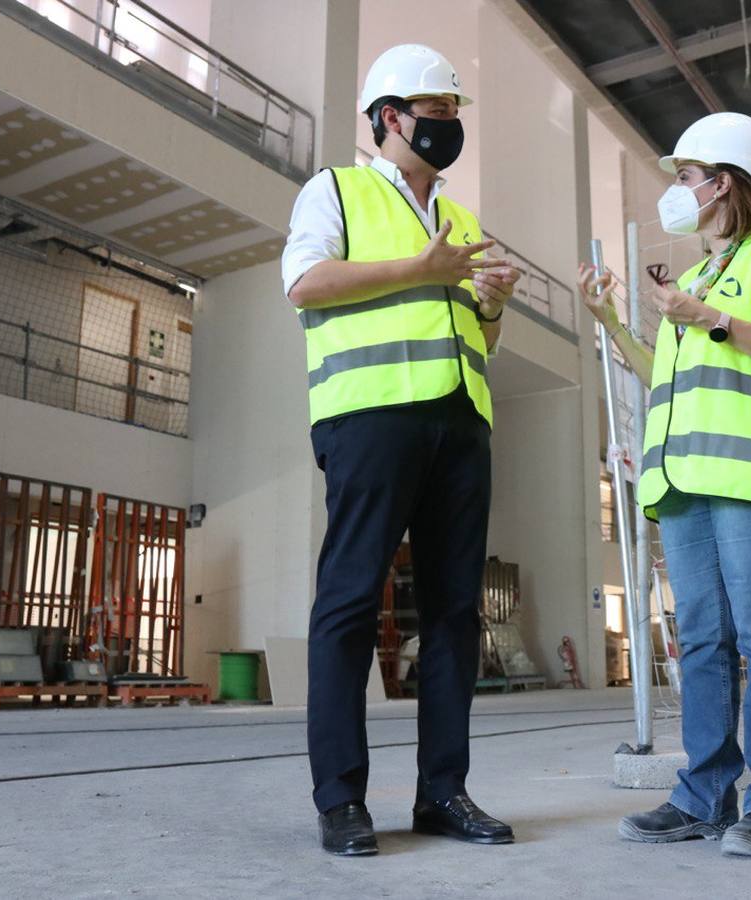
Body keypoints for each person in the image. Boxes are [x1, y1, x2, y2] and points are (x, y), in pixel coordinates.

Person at [578, 112, 751, 859]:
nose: (678, 191)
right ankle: (702, 796)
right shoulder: (694, 279)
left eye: (686, 177)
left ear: (722, 182)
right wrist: (611, 322)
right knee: (701, 642)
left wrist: (713, 319)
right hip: (687, 482)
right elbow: (659, 375)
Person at [281, 43, 521, 857]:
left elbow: (475, 338)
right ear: (390, 117)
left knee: (455, 616)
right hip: (371, 418)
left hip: (459, 420)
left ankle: (442, 794)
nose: (449, 127)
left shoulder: (461, 220)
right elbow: (305, 284)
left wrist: (491, 305)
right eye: (438, 112)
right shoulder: (336, 190)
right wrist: (419, 269)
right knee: (349, 603)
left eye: (455, 114)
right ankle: (341, 800)